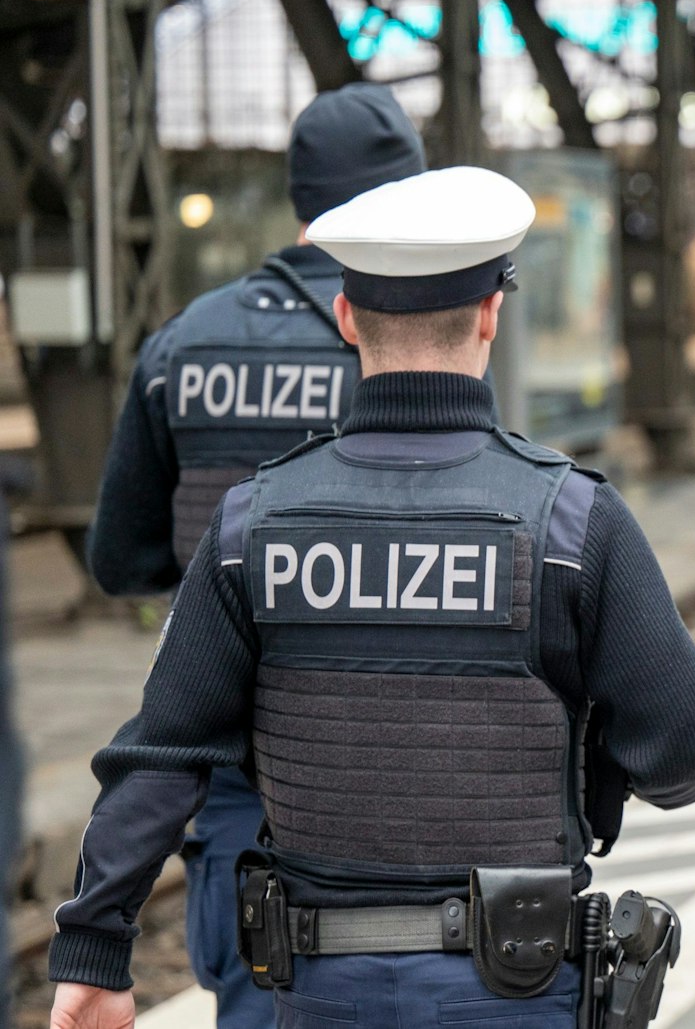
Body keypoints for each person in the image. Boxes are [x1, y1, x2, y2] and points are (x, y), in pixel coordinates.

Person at [48, 166, 695, 1028]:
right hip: (516, 991)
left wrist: (94, 947)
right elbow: (685, 747)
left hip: (319, 994)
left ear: (345, 318)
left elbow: (162, 754)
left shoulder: (250, 525)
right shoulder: (571, 521)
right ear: (492, 313)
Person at [82, 82, 426, 1029]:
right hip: (394, 769)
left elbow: (118, 557)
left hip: (232, 766)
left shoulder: (183, 345)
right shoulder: (418, 342)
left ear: (299, 197)